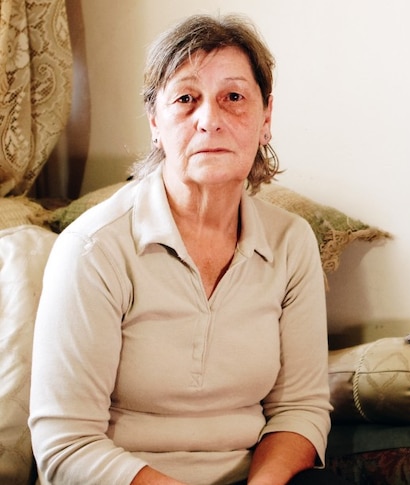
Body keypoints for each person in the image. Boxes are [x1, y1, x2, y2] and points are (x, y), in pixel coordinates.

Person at [29, 14, 345, 485]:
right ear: (156, 122)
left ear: (266, 119)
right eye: (186, 99)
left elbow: (300, 408)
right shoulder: (94, 248)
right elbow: (66, 442)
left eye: (233, 98)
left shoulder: (291, 241)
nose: (210, 120)